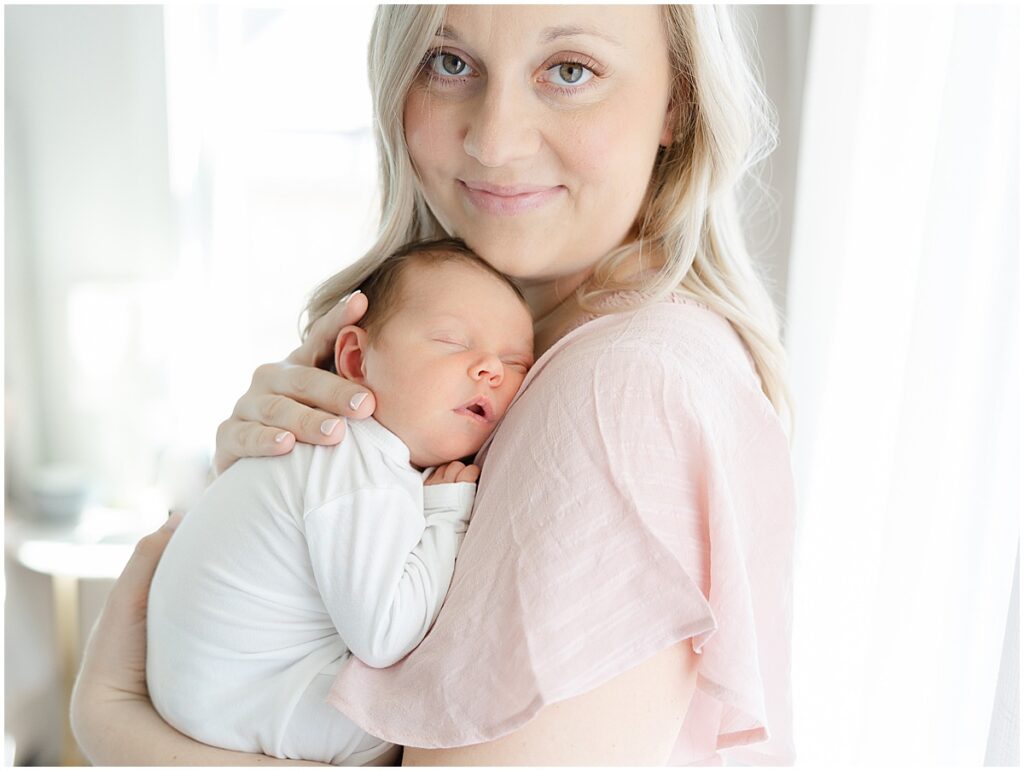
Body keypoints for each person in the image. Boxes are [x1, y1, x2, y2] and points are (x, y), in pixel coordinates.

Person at [71, 5, 797, 765]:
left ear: (678, 100)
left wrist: (115, 724)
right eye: (450, 62)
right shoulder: (515, 366)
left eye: (570, 70)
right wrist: (267, 504)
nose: (494, 139)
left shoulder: (617, 394)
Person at [146, 239, 535, 766]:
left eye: (516, 363)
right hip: (245, 698)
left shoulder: (351, 457)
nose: (491, 368)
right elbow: (385, 636)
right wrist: (447, 516)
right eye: (452, 341)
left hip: (205, 684)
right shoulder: (356, 469)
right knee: (410, 714)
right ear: (355, 358)